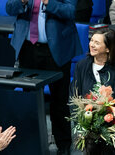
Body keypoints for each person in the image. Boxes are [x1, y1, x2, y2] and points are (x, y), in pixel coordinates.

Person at [6, 0, 82, 154]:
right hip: (27, 49)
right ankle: (31, 141)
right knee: (29, 99)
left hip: (57, 50)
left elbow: (70, 11)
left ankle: (63, 145)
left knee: (59, 100)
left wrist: (48, 2)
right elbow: (9, 8)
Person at [69, 28, 115, 154]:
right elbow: (73, 95)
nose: (92, 45)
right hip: (85, 130)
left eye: (97, 43)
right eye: (91, 41)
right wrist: (83, 122)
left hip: (112, 131)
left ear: (108, 48)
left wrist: (107, 123)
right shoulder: (81, 66)